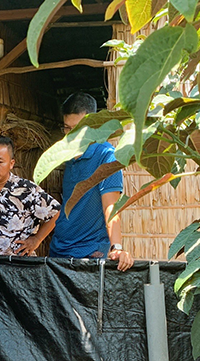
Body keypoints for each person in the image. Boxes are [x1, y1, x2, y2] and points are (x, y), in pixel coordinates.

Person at [49, 93, 134, 271]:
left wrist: (117, 247)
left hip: (90, 252)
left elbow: (111, 207)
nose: (72, 135)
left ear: (94, 125)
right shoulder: (67, 155)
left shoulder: (107, 155)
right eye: (67, 128)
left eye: (78, 129)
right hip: (59, 248)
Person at [0, 135, 60, 255]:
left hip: (18, 266)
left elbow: (56, 213)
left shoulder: (26, 190)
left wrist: (37, 240)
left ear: (11, 163)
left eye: (0, 162)